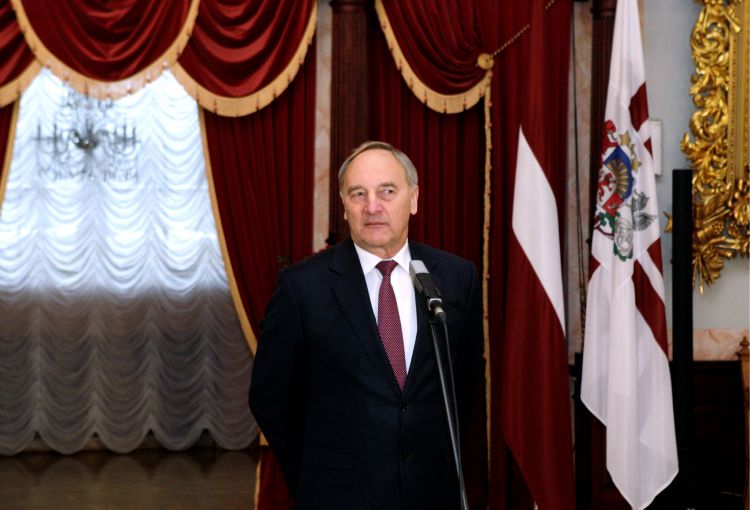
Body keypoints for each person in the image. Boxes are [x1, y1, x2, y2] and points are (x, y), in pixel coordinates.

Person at [249, 141, 484, 509]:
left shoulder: (456, 278)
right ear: (344, 206)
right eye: (358, 194)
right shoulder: (302, 287)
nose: (372, 207)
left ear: (414, 199)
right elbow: (270, 397)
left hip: (432, 494)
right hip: (337, 497)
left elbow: (464, 388)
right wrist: (315, 475)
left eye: (387, 191)